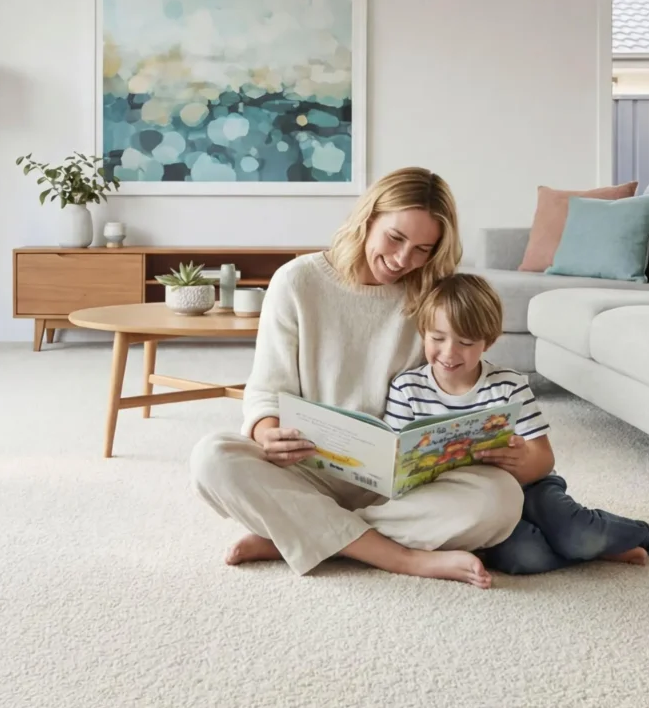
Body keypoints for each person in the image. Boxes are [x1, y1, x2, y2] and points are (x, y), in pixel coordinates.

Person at [190, 168, 524, 588]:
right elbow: (265, 389)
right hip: (306, 468)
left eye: (423, 249)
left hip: (396, 489)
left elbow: (456, 378)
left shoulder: (431, 295)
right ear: (368, 219)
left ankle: (300, 533)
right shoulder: (298, 281)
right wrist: (266, 430)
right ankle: (400, 557)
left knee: (502, 500)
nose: (405, 260)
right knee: (212, 458)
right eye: (395, 238)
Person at [385, 273, 649, 573]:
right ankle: (595, 551)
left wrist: (521, 460)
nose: (449, 352)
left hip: (529, 488)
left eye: (466, 343)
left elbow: (545, 460)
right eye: (437, 338)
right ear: (422, 333)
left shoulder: (508, 385)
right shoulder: (407, 388)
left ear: (488, 341)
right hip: (470, 503)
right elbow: (397, 465)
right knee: (525, 559)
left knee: (580, 533)